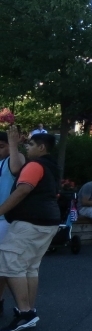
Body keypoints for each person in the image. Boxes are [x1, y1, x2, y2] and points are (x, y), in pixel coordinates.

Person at [0, 132, 62, 331]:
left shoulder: (35, 165)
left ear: (41, 147)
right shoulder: (52, 167)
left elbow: (23, 190)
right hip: (47, 222)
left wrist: (1, 210)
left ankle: (25, 313)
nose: (28, 147)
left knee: (11, 263)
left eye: (31, 144)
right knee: (30, 267)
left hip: (30, 223)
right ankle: (28, 310)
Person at [0, 127, 27, 319]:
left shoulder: (14, 160)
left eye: (1, 146)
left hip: (5, 220)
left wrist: (12, 145)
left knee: (2, 265)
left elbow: (17, 168)